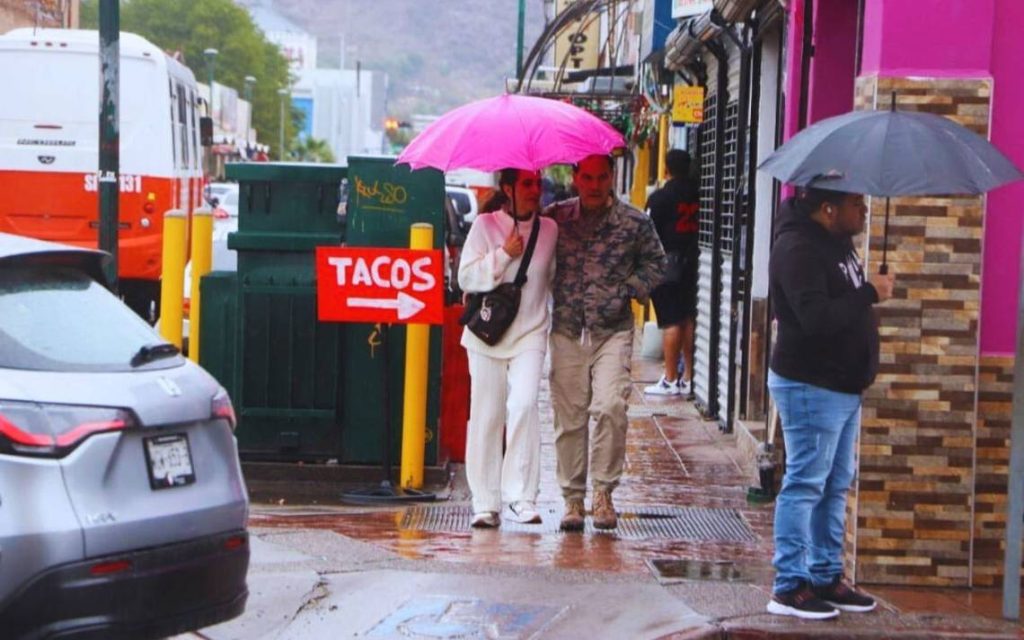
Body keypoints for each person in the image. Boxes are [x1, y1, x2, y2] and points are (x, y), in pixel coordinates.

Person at [766, 187, 894, 619]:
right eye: (857, 204)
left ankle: (824, 574)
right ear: (828, 209)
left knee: (835, 483)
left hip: (842, 386)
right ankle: (789, 586)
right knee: (805, 483)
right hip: (811, 384)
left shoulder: (837, 243)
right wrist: (868, 293)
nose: (864, 210)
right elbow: (815, 320)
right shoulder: (797, 248)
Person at [545, 154, 666, 531]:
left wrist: (628, 290)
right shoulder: (556, 219)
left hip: (612, 330)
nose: (595, 185)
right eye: (588, 178)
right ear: (575, 178)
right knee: (569, 416)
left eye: (602, 177)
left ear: (611, 178)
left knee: (611, 406)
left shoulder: (634, 223)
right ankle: (572, 499)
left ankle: (603, 492)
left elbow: (657, 265)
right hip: (567, 328)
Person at [458, 168, 558, 529]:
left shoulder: (550, 230)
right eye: (527, 184)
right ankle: (485, 502)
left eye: (538, 183)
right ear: (507, 188)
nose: (536, 190)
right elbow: (465, 277)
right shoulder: (485, 225)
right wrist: (503, 255)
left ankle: (521, 495)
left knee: (524, 403)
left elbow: (554, 279)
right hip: (487, 335)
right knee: (486, 415)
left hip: (531, 332)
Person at [643, 149, 700, 397]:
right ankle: (689, 376)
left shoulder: (660, 199)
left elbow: (647, 234)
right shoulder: (700, 194)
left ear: (666, 169)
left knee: (670, 322)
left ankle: (669, 378)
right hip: (694, 264)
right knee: (688, 319)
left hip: (667, 266)